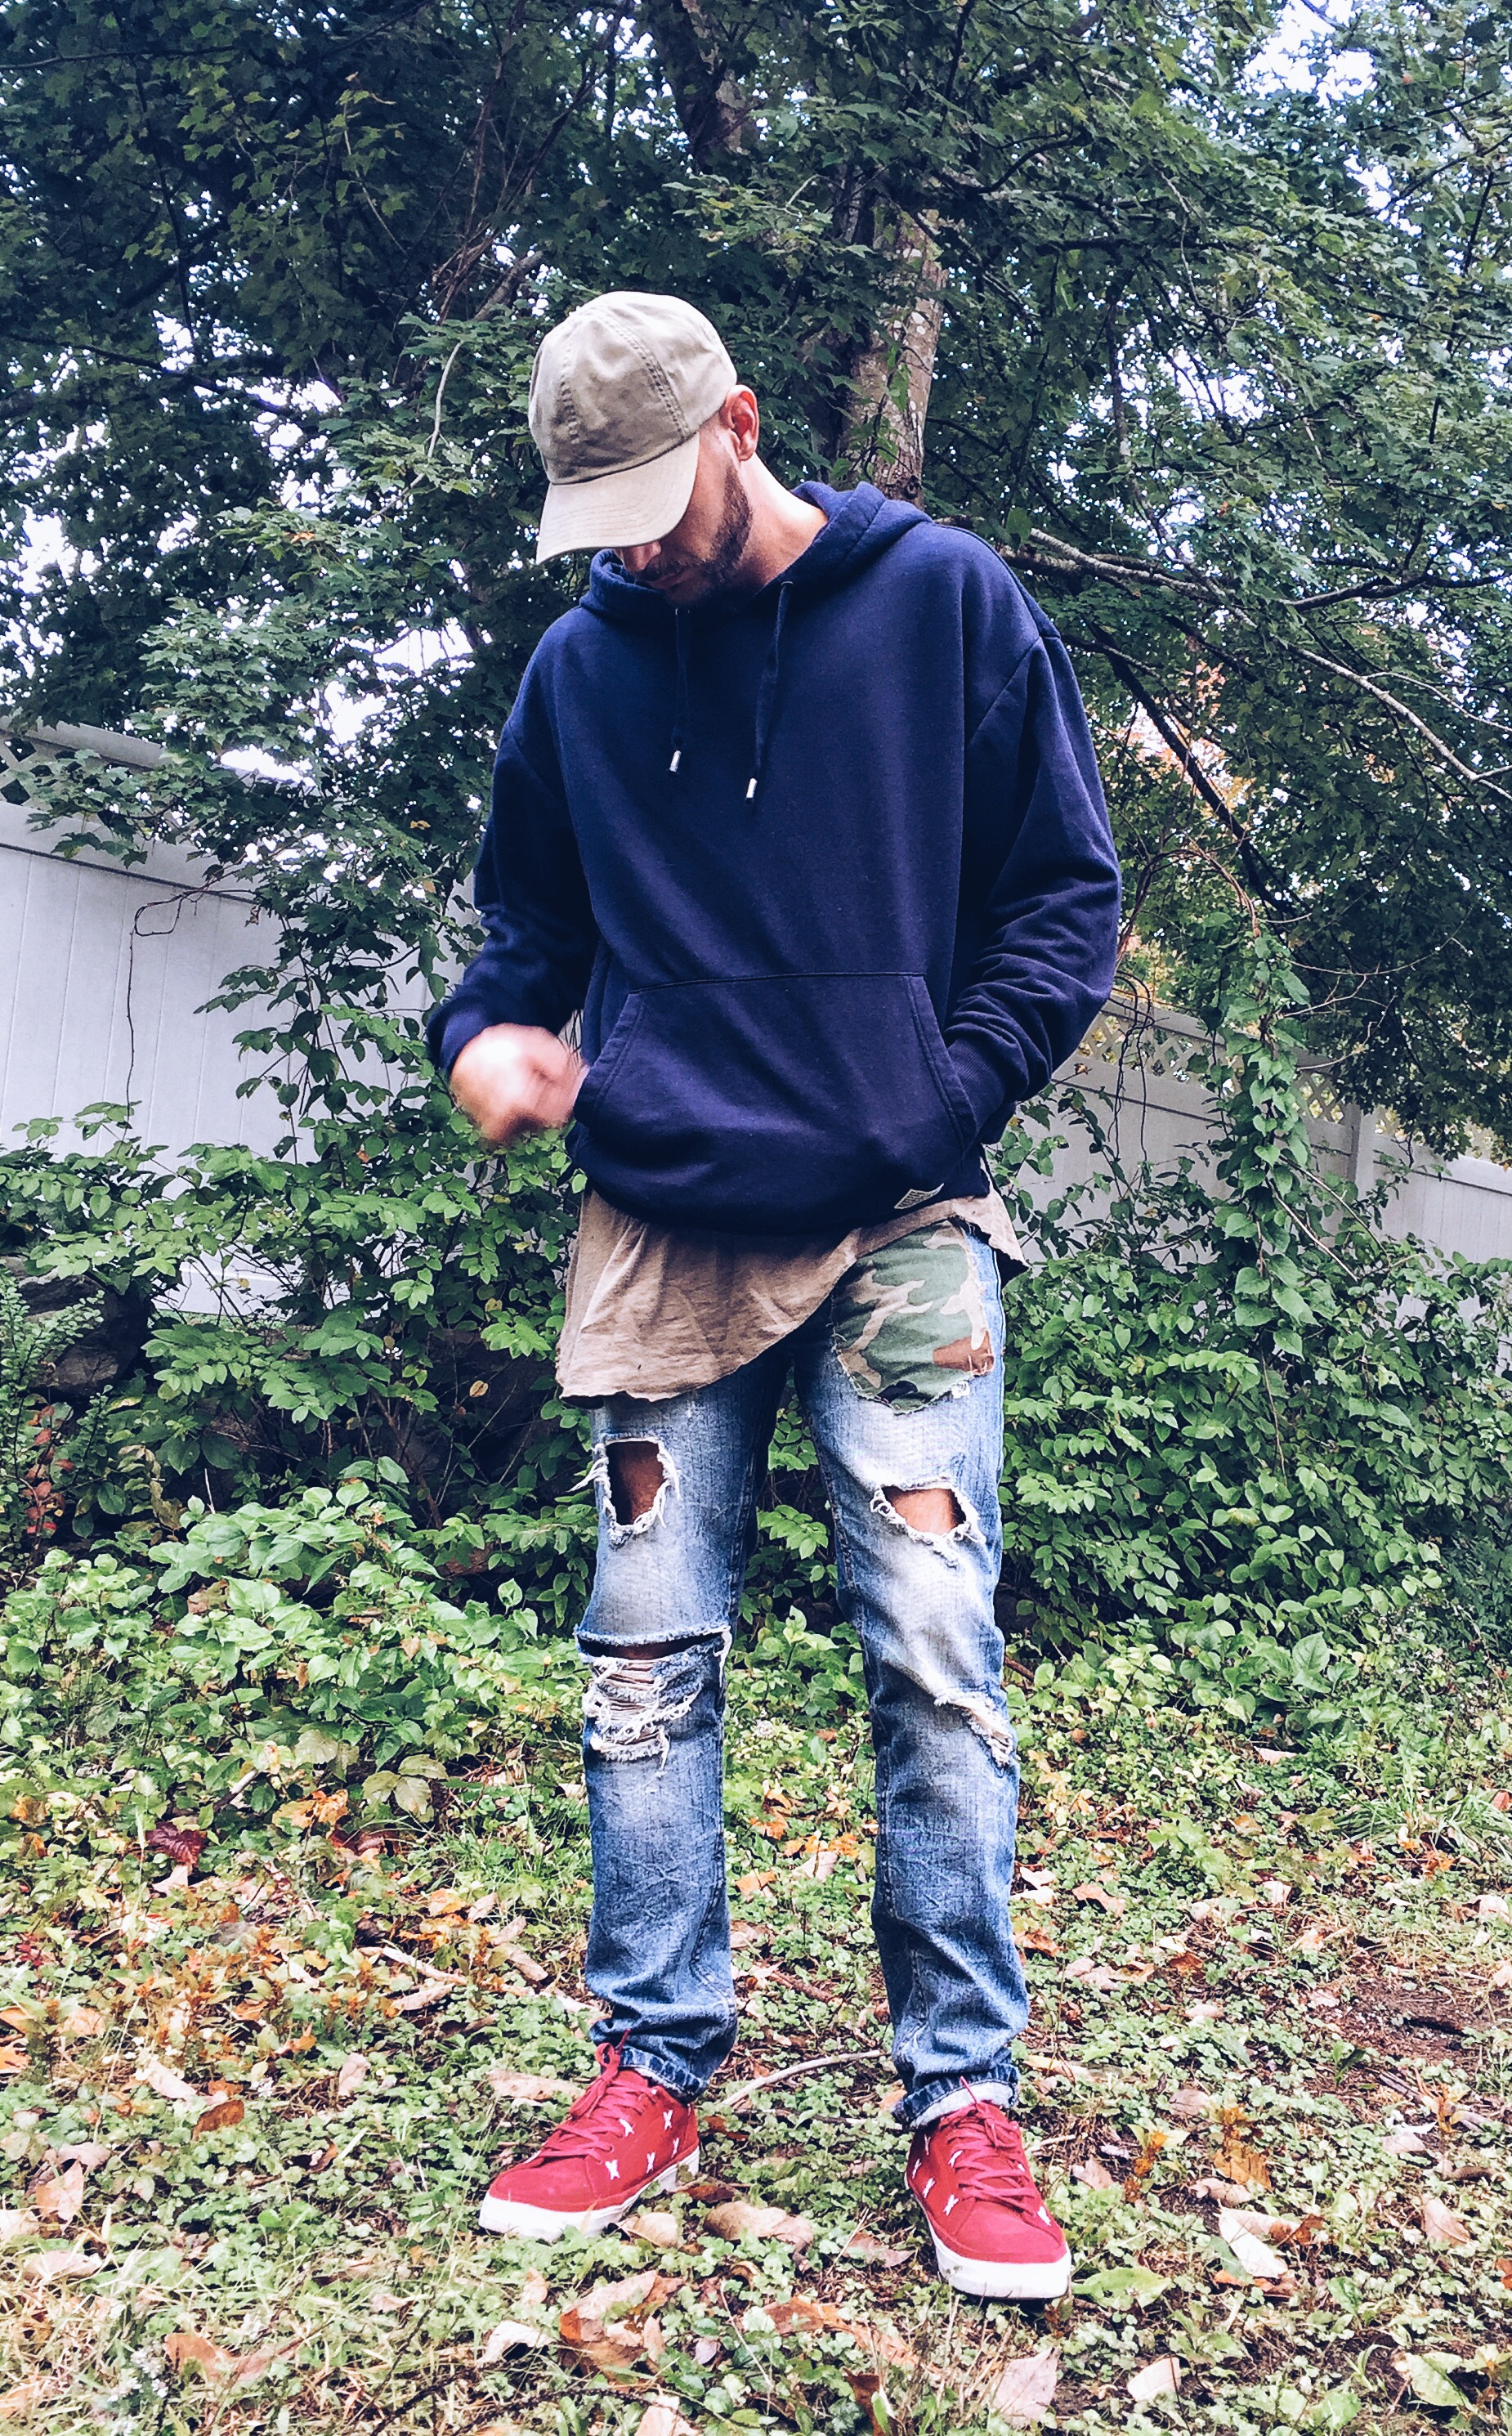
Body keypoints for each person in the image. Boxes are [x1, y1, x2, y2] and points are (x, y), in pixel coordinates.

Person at [427, 290, 1121, 2299]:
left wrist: (933, 1093)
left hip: (898, 1211)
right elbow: (521, 934)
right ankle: (650, 2062)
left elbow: (1061, 900)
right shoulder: (578, 668)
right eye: (601, 521)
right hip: (661, 1219)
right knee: (642, 1661)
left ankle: (961, 2093)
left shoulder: (941, 602)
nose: (636, 550)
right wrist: (488, 1041)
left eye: (658, 502)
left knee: (933, 1649)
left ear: (738, 425)